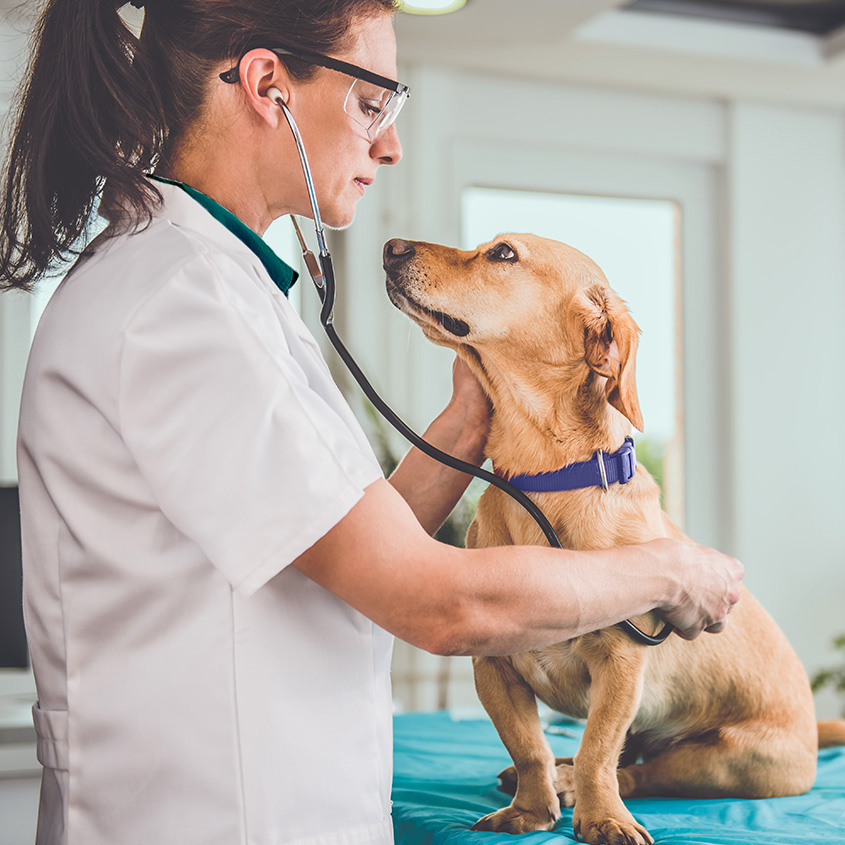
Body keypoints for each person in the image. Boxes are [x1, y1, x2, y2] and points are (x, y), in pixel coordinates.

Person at [0, 1, 743, 844]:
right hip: (214, 815)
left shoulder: (214, 290)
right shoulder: (180, 308)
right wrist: (669, 569)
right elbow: (436, 603)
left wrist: (468, 425)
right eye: (371, 103)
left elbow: (338, 546)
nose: (389, 144)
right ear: (267, 84)